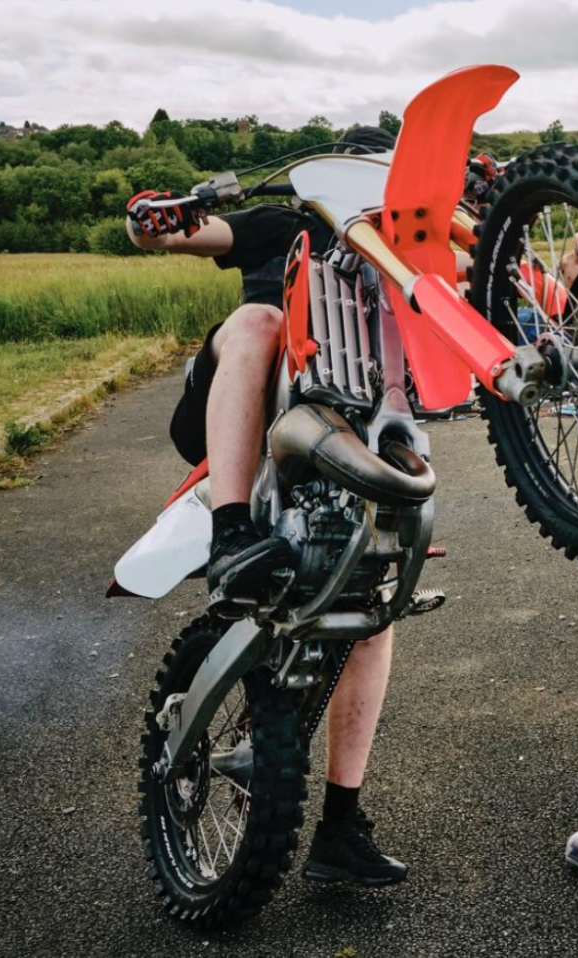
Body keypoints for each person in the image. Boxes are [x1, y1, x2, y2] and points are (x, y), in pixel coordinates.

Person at [125, 125, 409, 886]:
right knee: (263, 320)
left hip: (333, 445)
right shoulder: (289, 224)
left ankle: (341, 828)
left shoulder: (399, 257)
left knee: (370, 622)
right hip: (243, 410)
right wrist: (154, 216)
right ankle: (229, 533)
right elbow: (194, 231)